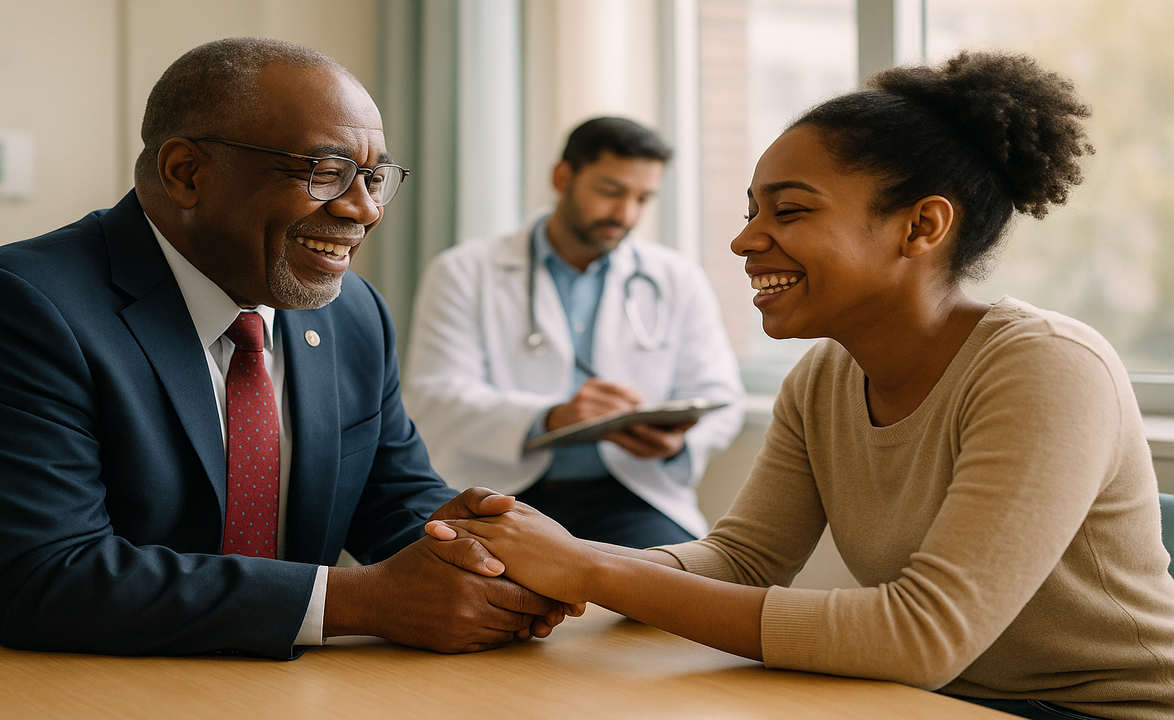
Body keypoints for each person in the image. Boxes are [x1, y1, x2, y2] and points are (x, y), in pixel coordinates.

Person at [427, 51, 1174, 719]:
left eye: (788, 210)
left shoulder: (1045, 367)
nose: (745, 240)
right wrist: (541, 560)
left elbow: (920, 636)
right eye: (751, 210)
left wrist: (590, 567)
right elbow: (743, 560)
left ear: (921, 227)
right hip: (931, 703)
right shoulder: (826, 375)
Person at [0, 37, 566, 657]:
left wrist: (494, 555)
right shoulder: (16, 307)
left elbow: (392, 499)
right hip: (4, 681)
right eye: (328, 171)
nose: (365, 210)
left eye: (375, 176)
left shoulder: (351, 313)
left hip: (263, 682)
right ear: (187, 171)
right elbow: (46, 579)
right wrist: (366, 600)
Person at [403, 117, 746, 548]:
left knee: (679, 591)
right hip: (502, 494)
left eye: (643, 198)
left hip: (629, 494)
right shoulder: (463, 272)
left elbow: (720, 396)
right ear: (562, 177)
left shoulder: (677, 278)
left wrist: (675, 443)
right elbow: (435, 397)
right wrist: (550, 417)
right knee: (478, 593)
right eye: (611, 191)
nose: (626, 214)